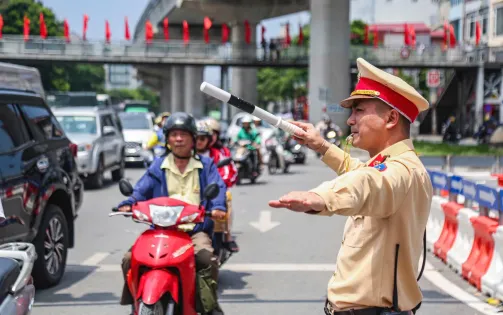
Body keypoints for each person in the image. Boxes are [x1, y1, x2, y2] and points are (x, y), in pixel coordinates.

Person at [269, 57, 433, 315]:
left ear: (390, 118)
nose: (350, 120)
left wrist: (321, 196)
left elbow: (367, 183)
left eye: (359, 111)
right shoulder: (395, 165)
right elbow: (360, 172)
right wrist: (321, 145)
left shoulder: (401, 171)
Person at [116, 112, 227, 315]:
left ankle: (209, 305)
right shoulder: (158, 166)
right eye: (173, 134)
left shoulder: (206, 165)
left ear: (193, 138)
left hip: (193, 230)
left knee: (206, 258)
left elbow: (217, 187)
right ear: (167, 139)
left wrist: (218, 207)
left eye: (183, 134)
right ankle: (136, 302)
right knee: (128, 259)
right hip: (160, 230)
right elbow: (141, 189)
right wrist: (129, 202)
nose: (178, 139)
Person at [195, 120, 239, 253]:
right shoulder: (183, 155)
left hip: (213, 192)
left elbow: (226, 175)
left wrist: (216, 188)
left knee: (224, 197)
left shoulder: (218, 154)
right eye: (196, 138)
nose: (199, 142)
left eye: (203, 138)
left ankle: (226, 235)